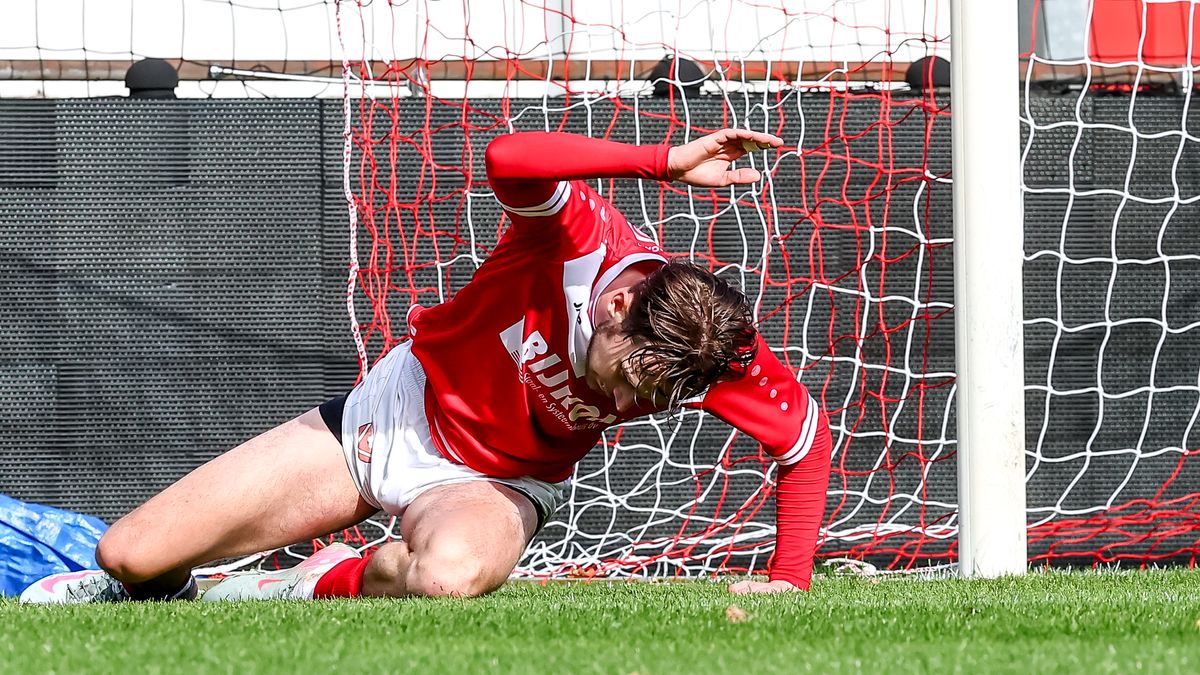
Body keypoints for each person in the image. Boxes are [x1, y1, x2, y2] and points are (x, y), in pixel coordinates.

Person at [21, 129, 832, 604]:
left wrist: (790, 577)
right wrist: (660, 160)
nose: (622, 403)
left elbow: (800, 437)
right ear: (618, 309)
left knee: (444, 577)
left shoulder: (708, 349)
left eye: (647, 399)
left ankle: (288, 587)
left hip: (497, 483)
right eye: (627, 379)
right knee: (130, 554)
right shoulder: (582, 240)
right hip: (393, 414)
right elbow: (510, 154)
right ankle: (189, 584)